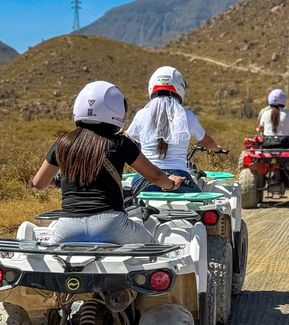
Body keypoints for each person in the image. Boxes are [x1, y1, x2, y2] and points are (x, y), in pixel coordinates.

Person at [31, 81, 184, 244]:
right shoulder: (120, 143)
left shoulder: (63, 143)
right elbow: (155, 176)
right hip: (111, 224)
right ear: (118, 110)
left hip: (68, 227)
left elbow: (39, 183)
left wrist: (56, 182)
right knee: (153, 251)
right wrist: (171, 184)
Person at [126, 66, 223, 193]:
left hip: (145, 178)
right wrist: (216, 149)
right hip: (180, 179)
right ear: (180, 88)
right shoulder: (187, 116)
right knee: (201, 209)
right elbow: (208, 142)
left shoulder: (141, 115)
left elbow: (127, 137)